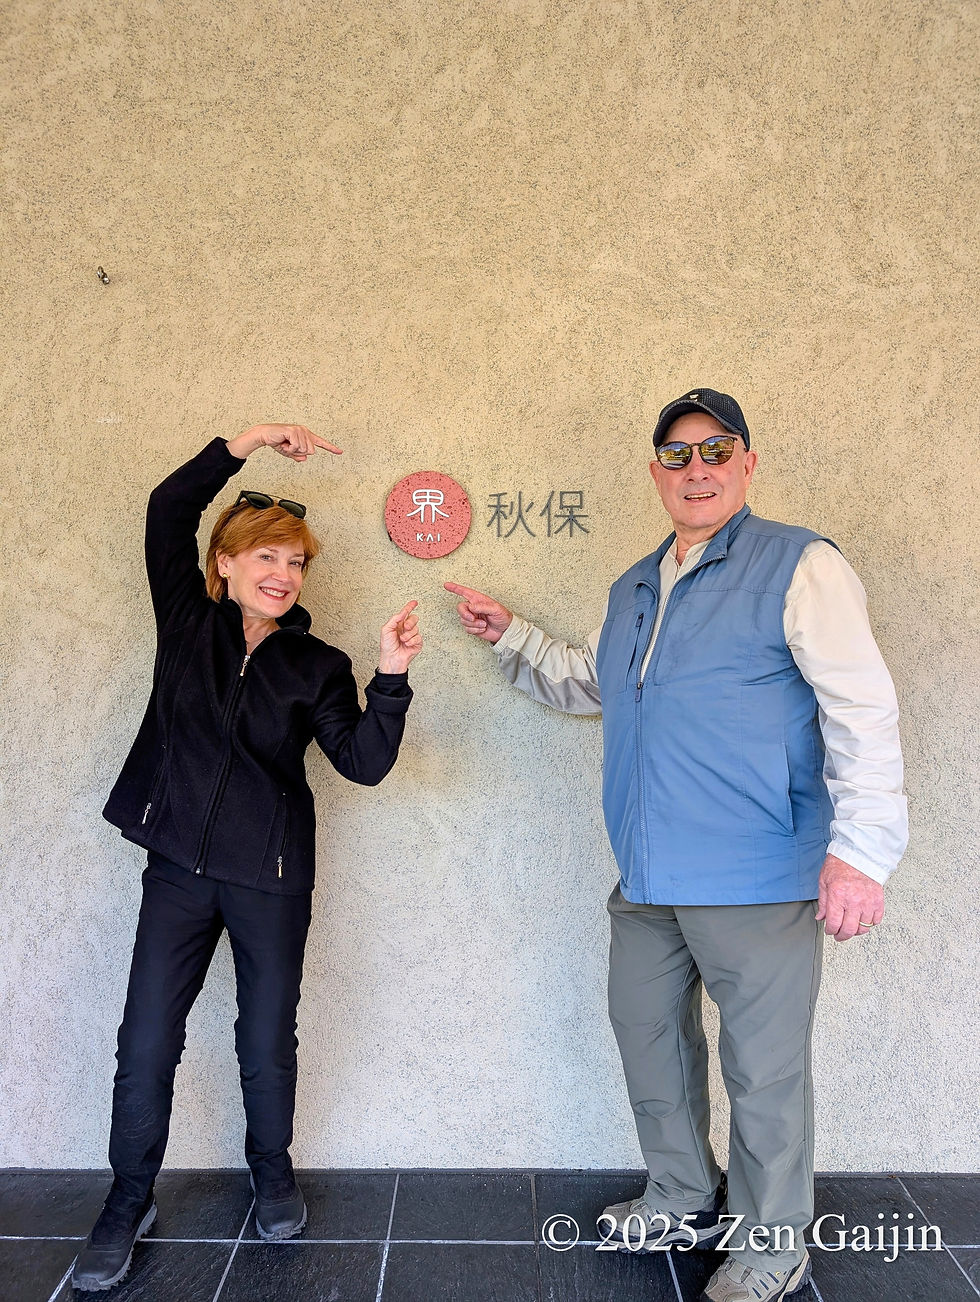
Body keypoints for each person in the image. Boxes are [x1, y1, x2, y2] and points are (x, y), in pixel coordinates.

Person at [446, 387, 907, 1302]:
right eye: (676, 455)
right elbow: (601, 684)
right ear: (656, 471)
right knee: (647, 1035)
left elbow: (864, 708)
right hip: (649, 875)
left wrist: (862, 851)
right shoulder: (636, 583)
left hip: (757, 874)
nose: (696, 469)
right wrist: (513, 637)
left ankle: (772, 1244)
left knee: (763, 1070)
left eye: (715, 449)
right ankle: (681, 1196)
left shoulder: (800, 564)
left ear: (747, 463)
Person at [72, 423, 422, 1293]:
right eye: (266, 555)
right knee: (147, 1038)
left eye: (297, 561)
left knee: (265, 1040)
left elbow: (363, 763)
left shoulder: (317, 664)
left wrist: (389, 675)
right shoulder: (187, 622)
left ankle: (271, 1173)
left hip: (269, 881)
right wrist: (245, 443)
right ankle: (127, 1200)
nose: (282, 573)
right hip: (178, 872)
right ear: (224, 564)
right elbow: (168, 506)